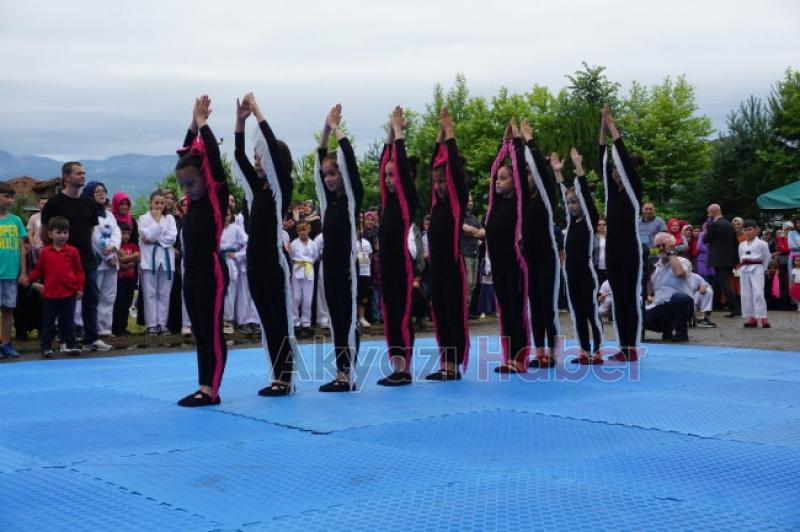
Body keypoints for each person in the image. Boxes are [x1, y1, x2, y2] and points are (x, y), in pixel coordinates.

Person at [233, 93, 298, 396]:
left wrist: (259, 112)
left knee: (278, 321)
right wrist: (240, 122)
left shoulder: (280, 191)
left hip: (273, 263)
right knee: (267, 323)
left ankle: (284, 378)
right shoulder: (257, 192)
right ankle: (277, 375)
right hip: (254, 264)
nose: (258, 160)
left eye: (263, 157)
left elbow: (271, 145)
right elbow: (238, 156)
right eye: (257, 156)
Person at [174, 95, 230, 407]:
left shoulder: (214, 198)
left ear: (204, 180)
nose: (186, 189)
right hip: (191, 272)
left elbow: (214, 161)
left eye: (191, 183)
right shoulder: (191, 204)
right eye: (182, 184)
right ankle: (202, 384)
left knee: (211, 331)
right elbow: (186, 155)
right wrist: (192, 124)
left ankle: (212, 390)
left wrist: (204, 125)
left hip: (212, 271)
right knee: (199, 330)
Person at [314, 104, 364, 392]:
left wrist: (337, 130)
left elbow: (350, 163)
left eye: (333, 174)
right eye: (326, 175)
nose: (329, 179)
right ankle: (341, 372)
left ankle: (348, 374)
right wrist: (324, 130)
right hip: (329, 267)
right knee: (335, 319)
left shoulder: (352, 200)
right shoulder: (328, 202)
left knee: (347, 319)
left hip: (347, 269)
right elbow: (321, 157)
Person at [41, 162, 111, 351]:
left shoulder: (89, 202)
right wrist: (54, 255)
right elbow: (45, 232)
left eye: (84, 173)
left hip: (86, 258)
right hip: (62, 260)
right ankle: (65, 339)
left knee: (91, 299)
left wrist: (87, 252)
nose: (83, 176)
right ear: (66, 177)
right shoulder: (54, 203)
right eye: (78, 173)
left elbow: (89, 230)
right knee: (64, 303)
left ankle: (91, 338)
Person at [424, 107, 470, 381]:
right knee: (439, 316)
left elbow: (450, 164)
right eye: (436, 182)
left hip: (453, 267)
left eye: (443, 182)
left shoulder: (455, 204)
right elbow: (435, 162)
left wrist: (450, 133)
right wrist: (439, 136)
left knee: (453, 315)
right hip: (437, 270)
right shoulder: (436, 204)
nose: (440, 186)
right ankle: (445, 363)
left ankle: (453, 366)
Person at [376, 106, 419, 386]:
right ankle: (396, 367)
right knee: (390, 317)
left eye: (394, 176)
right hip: (386, 268)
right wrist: (390, 133)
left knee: (402, 316)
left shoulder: (407, 201)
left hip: (402, 266)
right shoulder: (386, 202)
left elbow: (400, 167)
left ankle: (405, 370)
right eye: (388, 176)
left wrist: (400, 133)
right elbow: (384, 163)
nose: (390, 180)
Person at [600, 105, 644, 362]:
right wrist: (602, 129)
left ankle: (631, 347)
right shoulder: (611, 194)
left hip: (629, 249)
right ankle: (623, 345)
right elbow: (601, 158)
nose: (616, 173)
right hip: (613, 251)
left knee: (629, 297)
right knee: (618, 299)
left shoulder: (633, 191)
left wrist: (613, 128)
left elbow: (624, 161)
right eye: (614, 171)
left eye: (619, 171)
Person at [486, 120, 531, 374]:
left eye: (503, 179)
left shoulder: (518, 201)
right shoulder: (495, 203)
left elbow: (516, 166)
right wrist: (503, 142)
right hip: (499, 264)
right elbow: (494, 169)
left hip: (515, 262)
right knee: (504, 311)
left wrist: (515, 143)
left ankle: (521, 357)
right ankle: (509, 356)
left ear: (515, 181)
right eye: (497, 180)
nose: (497, 182)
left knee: (516, 309)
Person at [552, 148, 604, 364]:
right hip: (570, 273)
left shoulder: (591, 222)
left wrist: (578, 168)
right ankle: (583, 350)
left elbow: (584, 195)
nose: (572, 206)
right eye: (570, 203)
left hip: (586, 272)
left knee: (592, 312)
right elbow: (564, 192)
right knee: (578, 313)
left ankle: (598, 350)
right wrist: (557, 172)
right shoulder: (571, 223)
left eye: (576, 202)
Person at [520, 119, 561, 368]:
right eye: (526, 175)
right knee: (534, 307)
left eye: (531, 174)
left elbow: (543, 176)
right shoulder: (524, 201)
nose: (528, 178)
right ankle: (541, 352)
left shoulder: (546, 199)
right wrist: (513, 142)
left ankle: (553, 353)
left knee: (548, 306)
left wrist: (529, 141)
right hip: (530, 259)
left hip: (547, 257)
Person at [25, 216, 83, 357]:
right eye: (58, 232)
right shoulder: (45, 252)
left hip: (68, 293)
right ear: (50, 234)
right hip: (50, 294)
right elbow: (39, 270)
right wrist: (28, 278)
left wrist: (80, 288)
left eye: (65, 232)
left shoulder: (73, 251)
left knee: (68, 321)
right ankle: (46, 347)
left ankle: (69, 345)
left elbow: (79, 271)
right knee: (48, 322)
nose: (62, 235)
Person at [81, 181, 120, 337]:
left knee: (108, 296)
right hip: (97, 259)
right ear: (89, 194)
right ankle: (91, 329)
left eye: (103, 190)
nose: (101, 193)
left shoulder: (109, 214)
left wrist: (114, 248)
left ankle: (105, 328)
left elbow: (116, 232)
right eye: (97, 191)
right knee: (93, 296)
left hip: (111, 258)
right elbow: (95, 236)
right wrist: (109, 254)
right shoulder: (88, 213)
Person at [138, 190, 177, 336]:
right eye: (156, 203)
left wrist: (154, 238)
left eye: (162, 203)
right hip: (149, 261)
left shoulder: (170, 219)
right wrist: (157, 225)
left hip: (166, 261)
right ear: (150, 203)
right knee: (149, 293)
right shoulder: (143, 218)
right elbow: (146, 235)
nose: (159, 206)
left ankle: (162, 323)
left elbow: (172, 238)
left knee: (164, 293)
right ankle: (151, 325)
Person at [643, 232, 694, 342]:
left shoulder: (683, 261)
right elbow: (651, 290)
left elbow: (680, 273)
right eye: (657, 246)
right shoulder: (656, 266)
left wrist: (671, 253)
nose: (660, 249)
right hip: (661, 306)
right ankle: (665, 331)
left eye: (662, 245)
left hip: (682, 306)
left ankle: (681, 333)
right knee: (637, 313)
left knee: (678, 298)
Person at [0, 181, 27, 358]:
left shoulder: (16, 220)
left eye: (12, 197)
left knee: (8, 310)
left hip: (11, 273)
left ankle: (6, 343)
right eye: (6, 196)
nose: (10, 200)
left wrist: (23, 271)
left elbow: (22, 247)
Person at [705, 204, 741, 317]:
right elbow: (736, 243)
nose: (708, 215)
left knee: (725, 284)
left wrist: (708, 228)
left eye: (709, 212)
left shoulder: (714, 225)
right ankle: (709, 307)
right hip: (729, 259)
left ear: (714, 212)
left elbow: (706, 239)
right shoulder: (729, 225)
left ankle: (736, 308)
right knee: (717, 284)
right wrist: (735, 260)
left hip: (719, 259)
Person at [220, 207, 247, 335]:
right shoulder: (214, 228)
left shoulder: (236, 229)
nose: (225, 217)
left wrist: (238, 255)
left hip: (229, 263)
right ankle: (217, 320)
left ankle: (228, 321)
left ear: (231, 216)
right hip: (216, 262)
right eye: (223, 214)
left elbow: (249, 243)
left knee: (229, 292)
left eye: (227, 214)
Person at [739, 219, 771, 328]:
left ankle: (763, 317)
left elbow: (767, 257)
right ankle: (751, 317)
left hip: (758, 268)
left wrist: (764, 269)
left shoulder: (763, 244)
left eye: (750, 229)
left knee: (758, 293)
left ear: (756, 230)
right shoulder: (742, 245)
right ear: (743, 231)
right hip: (744, 269)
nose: (748, 232)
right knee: (746, 294)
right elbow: (740, 258)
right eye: (746, 230)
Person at [290, 220, 318, 336]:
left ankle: (306, 323)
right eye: (300, 230)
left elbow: (315, 256)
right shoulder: (293, 244)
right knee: (296, 297)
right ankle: (295, 322)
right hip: (297, 269)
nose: (302, 232)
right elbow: (291, 257)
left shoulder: (313, 244)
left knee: (307, 298)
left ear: (309, 229)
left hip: (309, 270)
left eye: (304, 229)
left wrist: (308, 263)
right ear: (297, 231)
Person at [112, 222, 139, 336]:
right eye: (123, 233)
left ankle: (123, 327)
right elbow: (120, 259)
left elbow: (138, 256)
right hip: (120, 279)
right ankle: (115, 327)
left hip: (130, 278)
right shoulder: (116, 246)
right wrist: (128, 260)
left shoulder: (132, 246)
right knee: (118, 303)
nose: (126, 236)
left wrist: (125, 260)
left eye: (128, 234)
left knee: (127, 303)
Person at [461, 194, 481, 315]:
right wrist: (475, 232)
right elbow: (465, 229)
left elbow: (482, 233)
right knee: (468, 282)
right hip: (466, 253)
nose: (471, 203)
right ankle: (463, 309)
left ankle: (467, 309)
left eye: (472, 201)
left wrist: (473, 232)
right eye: (468, 201)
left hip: (475, 253)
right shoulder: (461, 216)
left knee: (473, 283)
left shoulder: (474, 218)